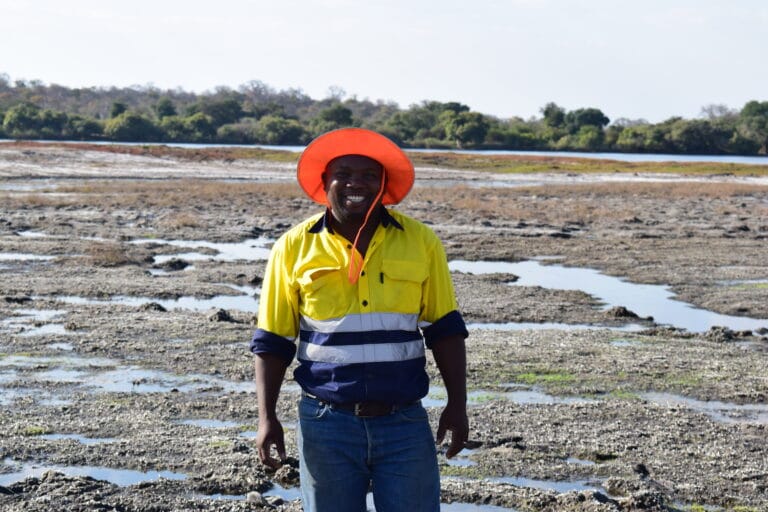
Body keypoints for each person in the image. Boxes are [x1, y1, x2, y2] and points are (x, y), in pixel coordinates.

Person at [249, 127, 469, 512]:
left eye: (370, 175)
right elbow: (273, 341)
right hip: (326, 424)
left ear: (383, 184)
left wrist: (458, 405)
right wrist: (267, 418)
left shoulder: (421, 241)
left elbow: (445, 330)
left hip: (404, 423)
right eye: (345, 173)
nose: (357, 183)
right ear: (325, 182)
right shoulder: (292, 247)